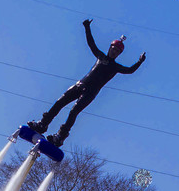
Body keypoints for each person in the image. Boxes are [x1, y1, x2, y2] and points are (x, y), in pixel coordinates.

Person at [28, 19, 146, 147]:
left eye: (118, 51)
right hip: (80, 84)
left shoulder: (116, 67)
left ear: (119, 54)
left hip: (90, 92)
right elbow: (91, 43)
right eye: (113, 48)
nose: (114, 51)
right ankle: (42, 124)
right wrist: (87, 27)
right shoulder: (100, 56)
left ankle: (60, 136)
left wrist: (139, 62)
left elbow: (129, 70)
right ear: (110, 47)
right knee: (59, 102)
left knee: (73, 112)